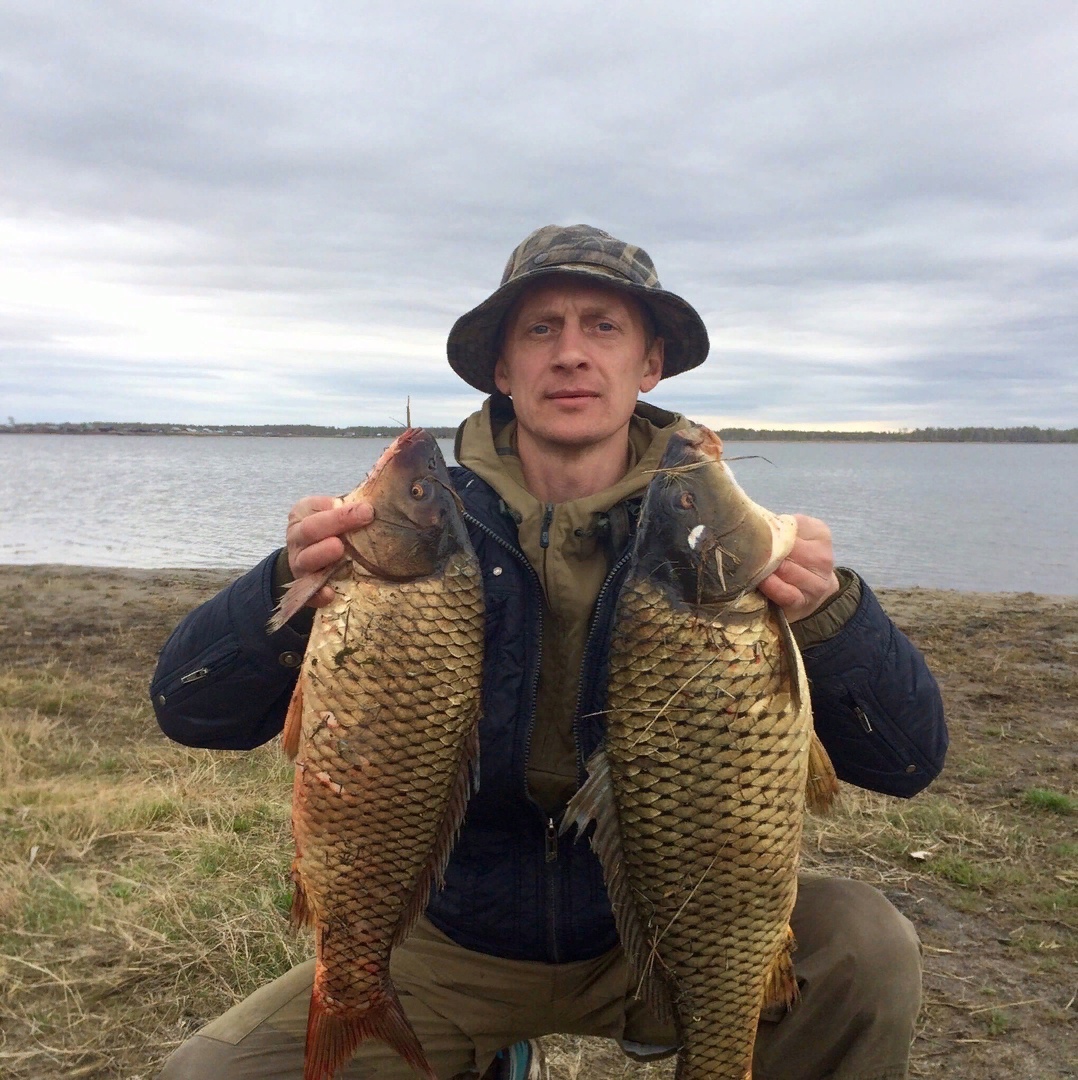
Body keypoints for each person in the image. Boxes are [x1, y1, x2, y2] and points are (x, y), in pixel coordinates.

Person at [151, 224, 947, 1080]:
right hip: (456, 939)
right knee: (211, 1073)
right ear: (503, 369)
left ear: (650, 365)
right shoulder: (420, 533)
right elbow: (190, 709)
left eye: (602, 326)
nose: (571, 354)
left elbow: (907, 761)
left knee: (865, 949)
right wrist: (287, 584)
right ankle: (496, 1054)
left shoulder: (715, 543)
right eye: (541, 329)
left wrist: (831, 619)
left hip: (673, 922)